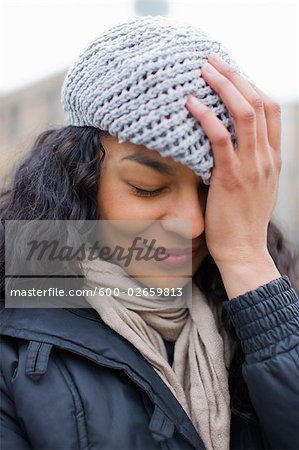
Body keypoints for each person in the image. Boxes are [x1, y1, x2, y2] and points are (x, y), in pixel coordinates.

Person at [0, 15, 299, 450]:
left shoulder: (265, 298)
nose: (192, 224)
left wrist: (246, 260)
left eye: (212, 191)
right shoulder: (16, 337)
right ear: (78, 178)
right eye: (148, 188)